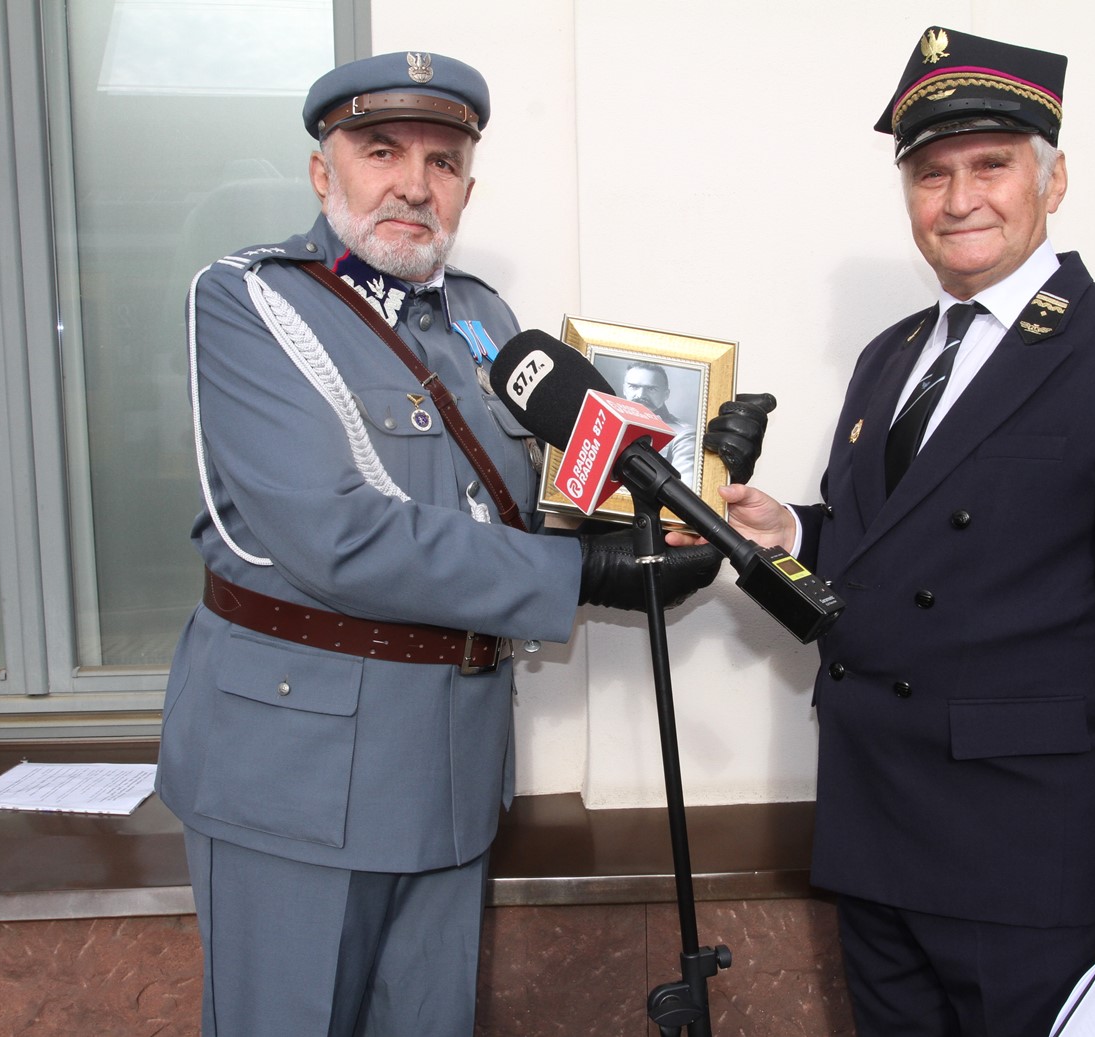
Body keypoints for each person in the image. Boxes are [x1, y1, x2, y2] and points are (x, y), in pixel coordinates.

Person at [155, 51, 720, 1037]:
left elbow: (518, 505)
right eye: (381, 151)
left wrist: (679, 492)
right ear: (323, 171)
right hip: (295, 769)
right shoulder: (252, 302)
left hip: (449, 759)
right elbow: (333, 534)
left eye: (443, 161)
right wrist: (582, 573)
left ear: (467, 185)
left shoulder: (485, 321)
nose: (415, 184)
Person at [692, 26, 1095, 1036]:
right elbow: (890, 553)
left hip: (1031, 856)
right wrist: (793, 529)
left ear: (1052, 179)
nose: (957, 199)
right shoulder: (888, 356)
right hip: (874, 831)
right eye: (929, 174)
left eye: (989, 165)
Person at [621, 360, 698, 484]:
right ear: (624, 389)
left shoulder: (684, 434)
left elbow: (685, 487)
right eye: (633, 387)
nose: (640, 395)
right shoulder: (606, 423)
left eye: (651, 389)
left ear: (666, 394)